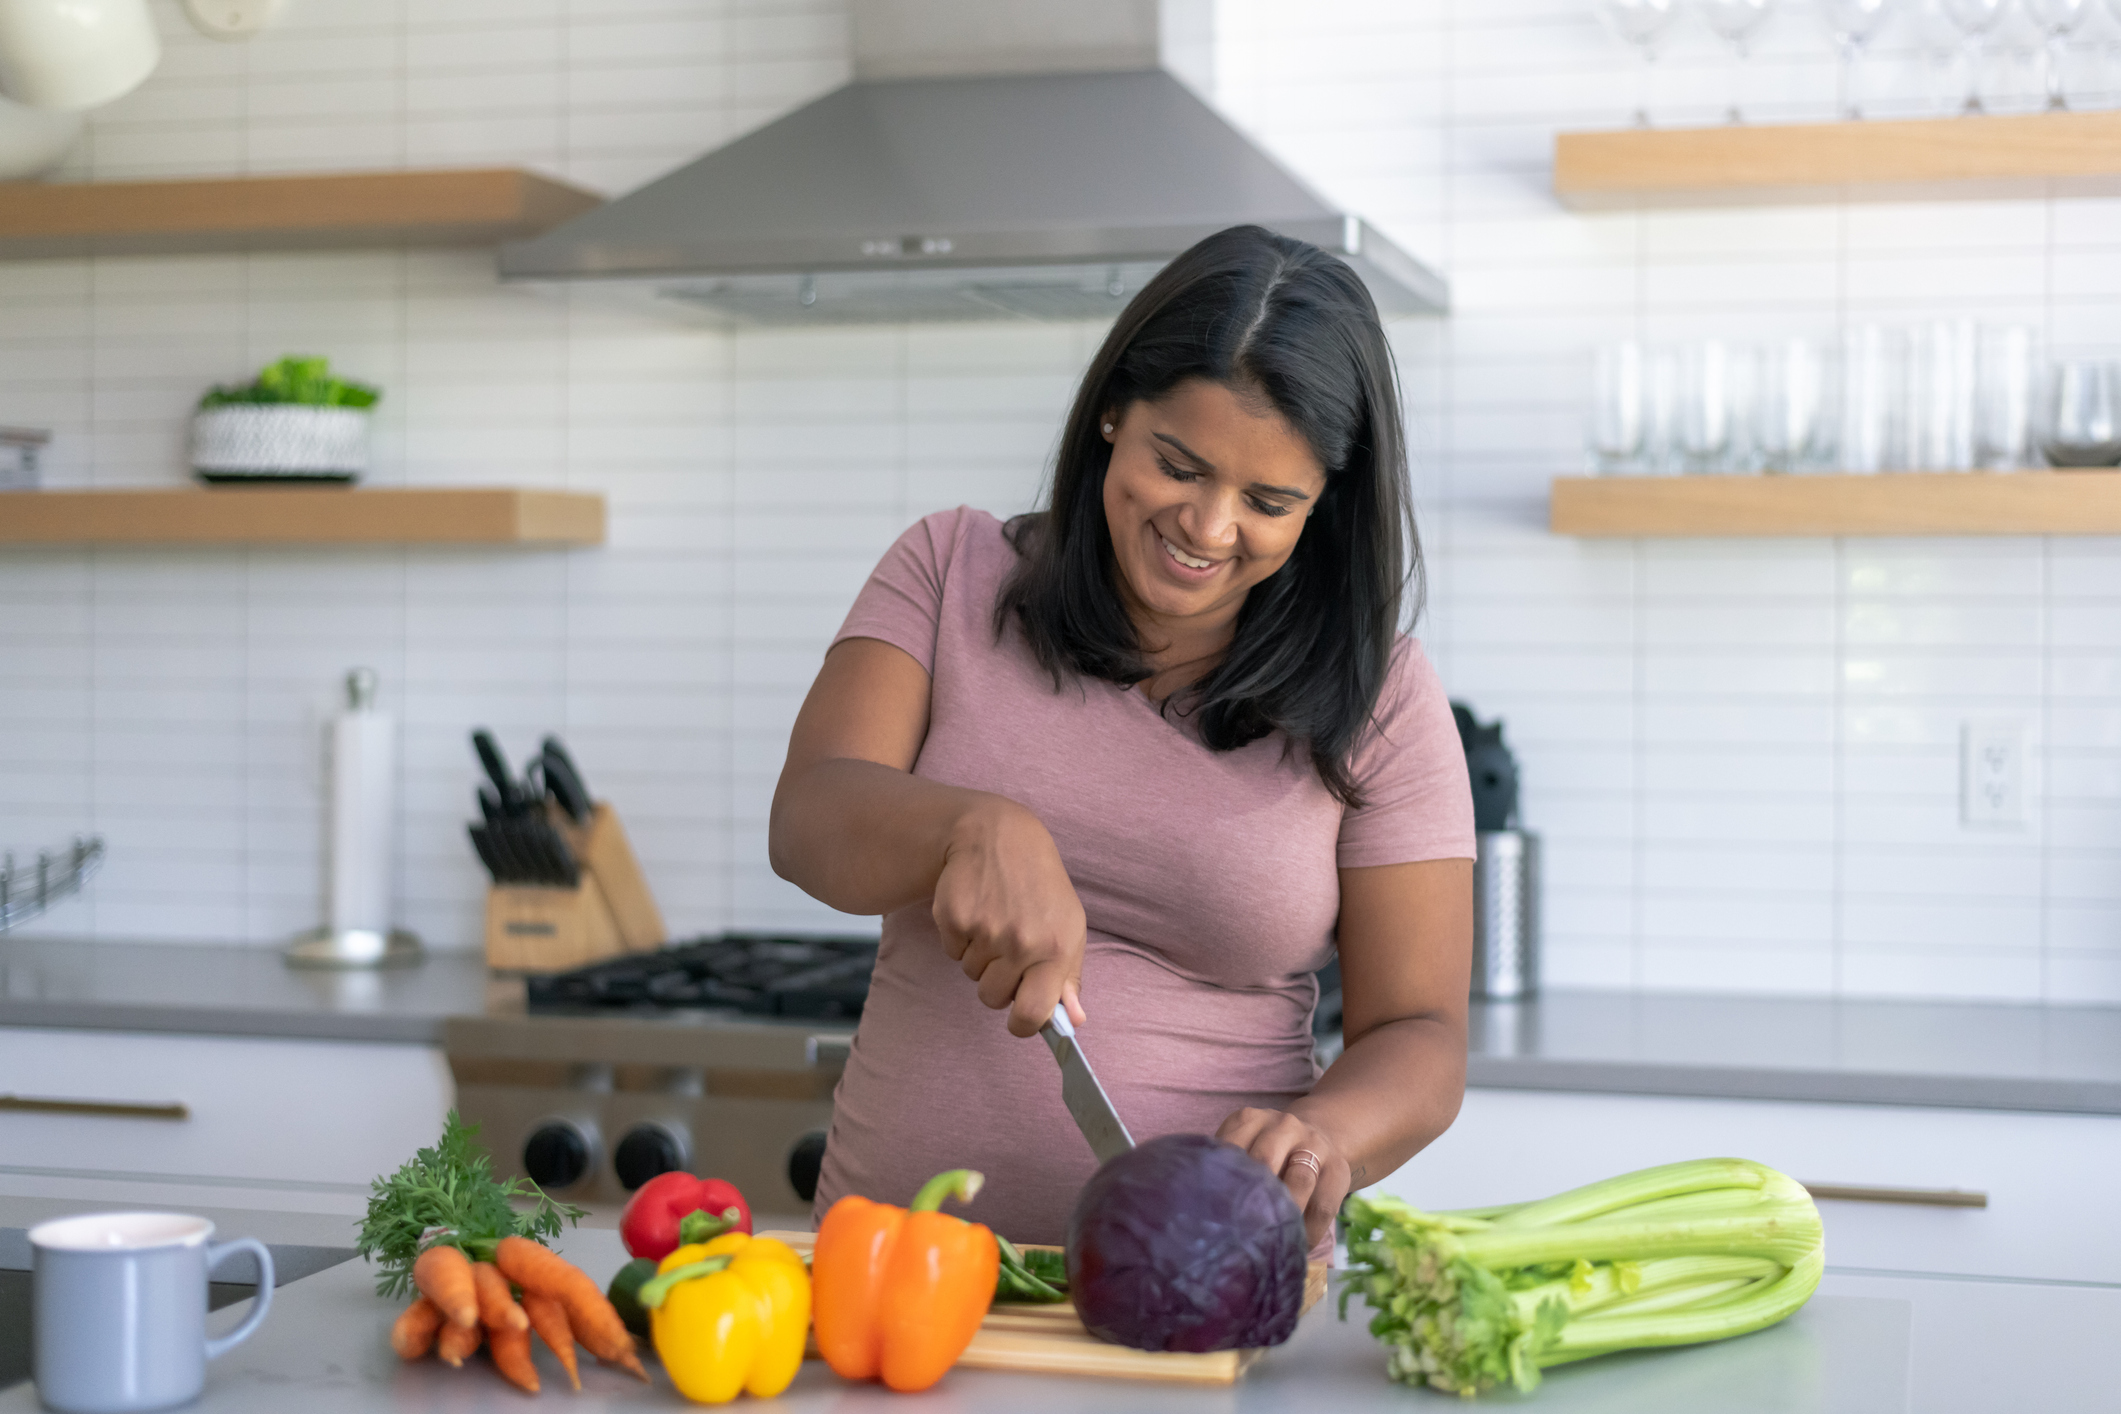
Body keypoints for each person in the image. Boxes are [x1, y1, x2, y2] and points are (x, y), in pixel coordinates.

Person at [769, 225, 1474, 1254]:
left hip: (1205, 1290)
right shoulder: (949, 569)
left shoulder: (1385, 697)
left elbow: (1421, 1034)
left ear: (1325, 505)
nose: (1210, 526)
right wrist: (971, 826)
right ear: (1112, 411)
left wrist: (1325, 1132)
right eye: (1178, 465)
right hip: (895, 1276)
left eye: (1270, 502)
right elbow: (809, 818)